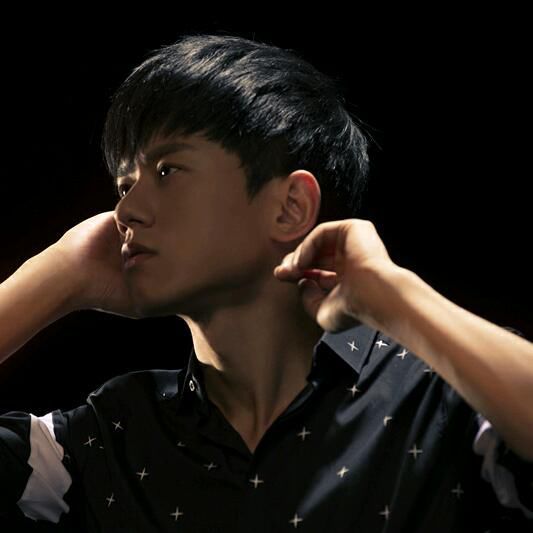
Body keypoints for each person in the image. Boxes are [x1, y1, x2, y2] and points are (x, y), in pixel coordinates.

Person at [1, 33, 532, 532]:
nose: (125, 211)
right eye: (124, 184)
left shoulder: (442, 398)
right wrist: (60, 272)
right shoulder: (104, 437)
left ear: (289, 207)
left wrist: (393, 295)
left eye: (166, 171)